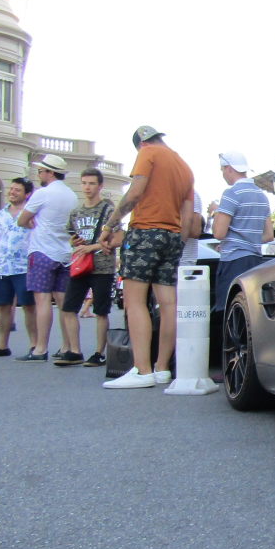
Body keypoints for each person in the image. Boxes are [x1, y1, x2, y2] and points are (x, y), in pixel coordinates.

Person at [100, 125, 195, 390]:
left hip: (145, 231)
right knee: (168, 304)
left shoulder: (148, 153)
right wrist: (178, 239)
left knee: (135, 301)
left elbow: (135, 192)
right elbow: (187, 215)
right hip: (173, 235)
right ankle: (162, 368)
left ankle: (142, 370)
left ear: (141, 143)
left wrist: (109, 226)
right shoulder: (184, 166)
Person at [16, 154, 78, 362]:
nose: (39, 173)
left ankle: (41, 348)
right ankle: (67, 345)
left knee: (42, 300)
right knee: (63, 303)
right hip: (65, 253)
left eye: (42, 170)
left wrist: (33, 223)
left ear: (50, 172)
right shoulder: (71, 195)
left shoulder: (42, 193)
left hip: (42, 250)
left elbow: (22, 220)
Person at [57, 168, 115, 367]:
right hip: (80, 265)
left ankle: (99, 353)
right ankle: (74, 350)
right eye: (84, 183)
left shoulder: (108, 210)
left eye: (91, 183)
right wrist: (77, 242)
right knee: (68, 307)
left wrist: (94, 246)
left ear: (100, 186)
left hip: (102, 267)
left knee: (101, 310)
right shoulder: (76, 212)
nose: (87, 187)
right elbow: (72, 237)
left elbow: (115, 239)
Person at [206, 150, 273, 314]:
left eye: (222, 170)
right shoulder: (261, 196)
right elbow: (269, 235)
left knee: (228, 311)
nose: (223, 175)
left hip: (233, 261)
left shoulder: (231, 194)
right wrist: (246, 239)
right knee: (249, 312)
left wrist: (216, 212)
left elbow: (219, 233)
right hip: (255, 261)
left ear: (228, 168)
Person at [0, 177, 36, 358]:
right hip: (2, 267)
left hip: (24, 267)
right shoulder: (0, 215)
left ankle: (35, 345)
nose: (12, 192)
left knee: (29, 306)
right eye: (11, 189)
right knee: (3, 305)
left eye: (17, 190)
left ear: (27, 194)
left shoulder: (32, 214)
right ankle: (2, 345)